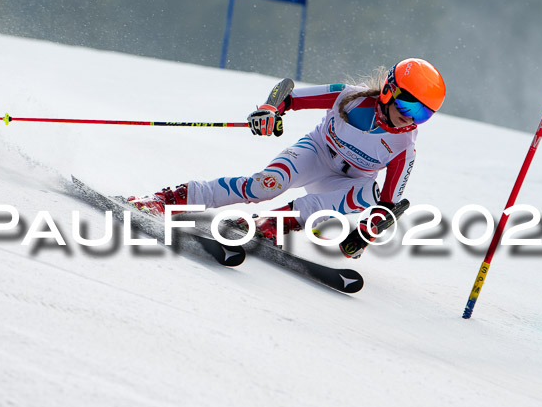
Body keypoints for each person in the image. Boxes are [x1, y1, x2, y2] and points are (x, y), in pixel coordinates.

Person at [127, 58, 446, 258]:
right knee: (264, 186)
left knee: (368, 193)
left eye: (424, 114)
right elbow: (288, 96)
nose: (411, 118)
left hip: (347, 184)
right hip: (316, 153)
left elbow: (388, 205)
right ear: (389, 90)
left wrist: (365, 233)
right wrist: (270, 110)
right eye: (409, 106)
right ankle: (167, 200)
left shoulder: (404, 146)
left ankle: (269, 225)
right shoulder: (349, 96)